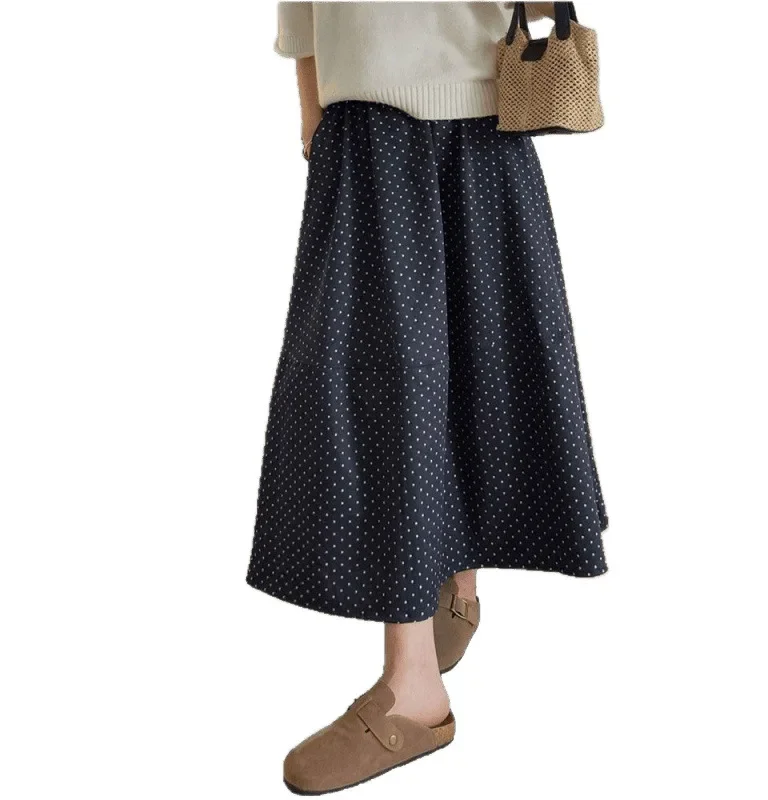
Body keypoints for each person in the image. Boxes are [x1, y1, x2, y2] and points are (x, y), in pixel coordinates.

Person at [246, 2, 609, 794]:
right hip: (365, 130)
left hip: (486, 120)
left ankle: (419, 684)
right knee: (380, 398)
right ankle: (433, 624)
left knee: (477, 371)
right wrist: (314, 115)